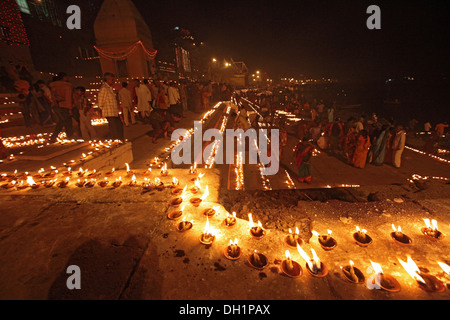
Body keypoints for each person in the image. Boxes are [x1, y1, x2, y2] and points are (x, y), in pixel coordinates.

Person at [98, 73, 124, 141]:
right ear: (108, 79)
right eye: (112, 79)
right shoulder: (104, 88)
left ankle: (120, 139)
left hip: (114, 112)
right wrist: (101, 109)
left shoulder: (110, 88)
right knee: (114, 128)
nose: (113, 81)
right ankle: (116, 141)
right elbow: (100, 101)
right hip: (109, 112)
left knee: (119, 126)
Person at [49, 72, 74, 142]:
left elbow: (53, 97)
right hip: (65, 106)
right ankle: (69, 136)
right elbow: (68, 98)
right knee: (66, 122)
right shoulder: (66, 86)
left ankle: (54, 137)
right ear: (63, 78)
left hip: (56, 106)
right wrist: (70, 109)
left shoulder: (53, 87)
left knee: (61, 121)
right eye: (66, 77)